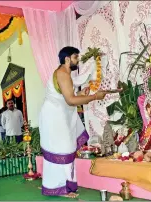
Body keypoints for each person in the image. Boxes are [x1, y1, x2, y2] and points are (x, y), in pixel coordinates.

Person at [39, 46, 122, 198]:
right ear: (67, 59)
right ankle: (60, 188)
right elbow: (71, 100)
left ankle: (66, 186)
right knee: (62, 150)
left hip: (59, 115)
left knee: (67, 149)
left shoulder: (65, 74)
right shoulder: (62, 74)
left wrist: (80, 94)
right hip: (54, 118)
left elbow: (69, 95)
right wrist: (94, 97)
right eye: (75, 57)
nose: (77, 61)